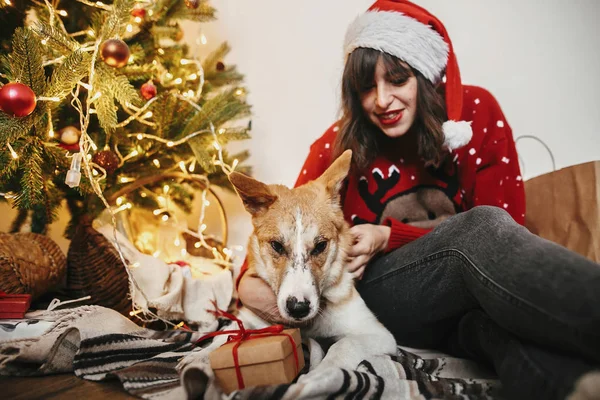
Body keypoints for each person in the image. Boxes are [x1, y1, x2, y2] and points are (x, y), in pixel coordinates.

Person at [237, 1, 600, 398]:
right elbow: (276, 235)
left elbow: (507, 228)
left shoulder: (477, 115)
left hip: (473, 297)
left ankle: (573, 388)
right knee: (477, 227)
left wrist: (389, 235)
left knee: (490, 325)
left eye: (397, 79)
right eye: (365, 88)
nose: (382, 99)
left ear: (425, 74)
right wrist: (255, 292)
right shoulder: (337, 146)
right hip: (382, 295)